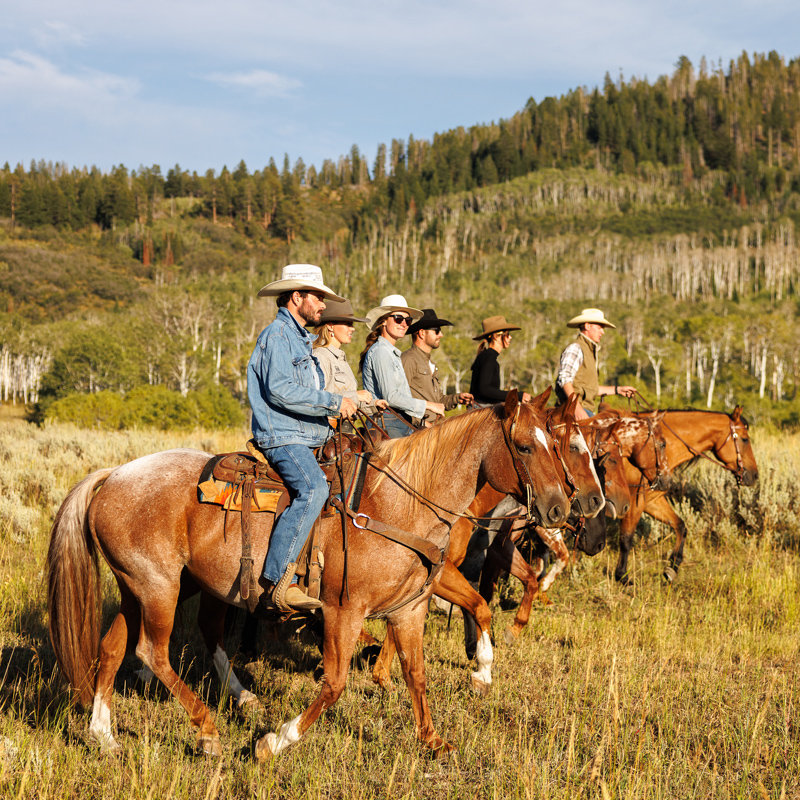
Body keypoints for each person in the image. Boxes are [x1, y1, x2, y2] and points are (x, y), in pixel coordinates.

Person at [247, 264, 357, 612]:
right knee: (314, 489)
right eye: (318, 298)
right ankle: (279, 581)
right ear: (297, 298)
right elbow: (280, 390)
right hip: (283, 436)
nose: (323, 306)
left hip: (307, 433)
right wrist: (333, 402)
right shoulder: (277, 336)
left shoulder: (300, 339)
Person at [359, 294, 445, 438]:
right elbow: (391, 397)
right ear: (384, 321)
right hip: (386, 424)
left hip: (397, 422)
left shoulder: (391, 353)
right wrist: (429, 405)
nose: (404, 323)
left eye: (408, 320)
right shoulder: (381, 351)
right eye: (398, 318)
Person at [311, 297, 387, 421]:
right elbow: (318, 397)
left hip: (345, 432)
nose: (353, 328)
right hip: (330, 433)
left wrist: (374, 404)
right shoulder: (320, 356)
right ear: (330, 326)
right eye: (347, 324)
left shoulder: (341, 359)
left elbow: (350, 402)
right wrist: (356, 395)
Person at [555, 307, 636, 421]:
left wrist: (618, 390)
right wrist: (576, 408)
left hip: (585, 410)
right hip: (571, 411)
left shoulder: (589, 350)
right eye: (599, 327)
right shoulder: (576, 348)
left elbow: (590, 388)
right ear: (587, 326)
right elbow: (564, 379)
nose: (602, 332)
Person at [401, 308, 473, 426]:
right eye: (437, 330)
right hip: (416, 433)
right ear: (422, 333)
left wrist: (457, 399)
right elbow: (399, 401)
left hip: (433, 429)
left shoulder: (431, 363)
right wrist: (421, 423)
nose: (441, 334)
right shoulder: (408, 360)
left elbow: (438, 401)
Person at [469, 315, 532, 406]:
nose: (510, 337)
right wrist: (516, 396)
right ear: (495, 336)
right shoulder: (488, 357)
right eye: (507, 334)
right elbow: (484, 390)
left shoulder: (487, 356)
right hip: (481, 411)